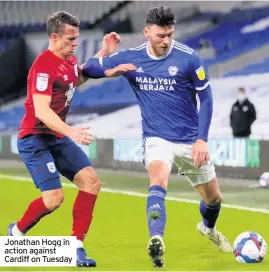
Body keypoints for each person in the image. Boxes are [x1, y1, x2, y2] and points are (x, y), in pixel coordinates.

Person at [82, 6, 233, 268]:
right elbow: (89, 68)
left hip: (189, 139)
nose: (166, 41)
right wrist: (108, 60)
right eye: (160, 35)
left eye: (170, 35)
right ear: (146, 32)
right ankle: (156, 241)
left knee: (214, 199)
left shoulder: (189, 58)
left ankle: (208, 228)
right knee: (158, 179)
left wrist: (202, 139)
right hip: (156, 137)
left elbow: (206, 99)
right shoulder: (131, 57)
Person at [7, 11, 135, 267]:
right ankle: (17, 232)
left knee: (91, 183)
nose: (75, 42)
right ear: (54, 37)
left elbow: (78, 78)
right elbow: (42, 111)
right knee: (54, 199)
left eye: (76, 37)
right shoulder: (43, 67)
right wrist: (72, 131)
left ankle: (76, 247)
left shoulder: (68, 60)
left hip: (56, 136)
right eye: (71, 38)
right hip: (35, 139)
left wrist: (104, 54)